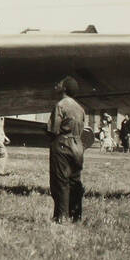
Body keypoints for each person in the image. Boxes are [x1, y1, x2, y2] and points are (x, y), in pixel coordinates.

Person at [47, 76, 86, 224]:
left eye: (60, 83)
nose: (57, 85)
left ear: (64, 89)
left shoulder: (60, 105)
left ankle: (61, 217)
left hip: (62, 144)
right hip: (78, 145)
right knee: (75, 181)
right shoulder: (80, 108)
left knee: (61, 182)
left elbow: (54, 129)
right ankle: (76, 215)